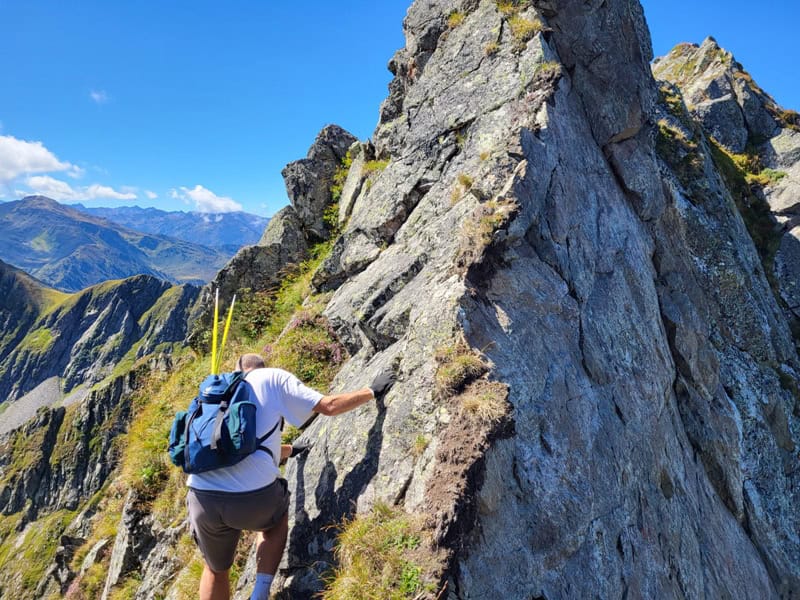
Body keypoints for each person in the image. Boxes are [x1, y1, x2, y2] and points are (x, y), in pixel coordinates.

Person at [187, 352, 396, 600]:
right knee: (274, 522)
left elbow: (235, 446)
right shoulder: (273, 378)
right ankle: (260, 593)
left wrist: (288, 451)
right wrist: (372, 391)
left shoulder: (217, 390)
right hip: (252, 498)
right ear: (263, 367)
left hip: (201, 496)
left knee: (215, 569)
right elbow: (328, 406)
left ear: (238, 369)